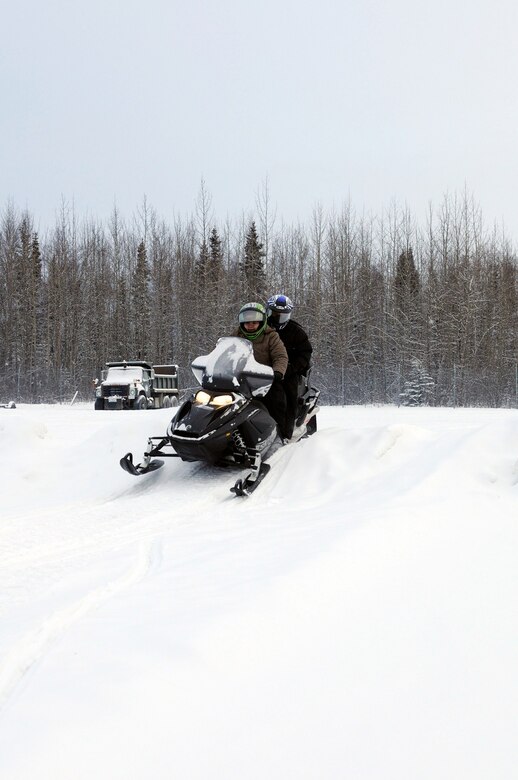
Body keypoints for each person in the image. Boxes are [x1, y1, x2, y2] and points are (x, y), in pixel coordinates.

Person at [236, 301, 288, 434]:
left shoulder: (271, 336)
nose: (251, 326)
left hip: (264, 379)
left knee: (277, 399)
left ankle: (280, 433)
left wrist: (277, 372)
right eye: (247, 323)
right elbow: (224, 352)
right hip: (240, 379)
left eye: (254, 322)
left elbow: (280, 356)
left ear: (262, 322)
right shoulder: (236, 336)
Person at [266, 294, 313, 439]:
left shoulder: (296, 331)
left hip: (288, 372)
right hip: (261, 370)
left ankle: (285, 434)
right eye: (273, 314)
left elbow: (305, 353)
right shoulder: (261, 327)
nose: (276, 318)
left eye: (281, 315)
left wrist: (292, 368)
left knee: (286, 399)